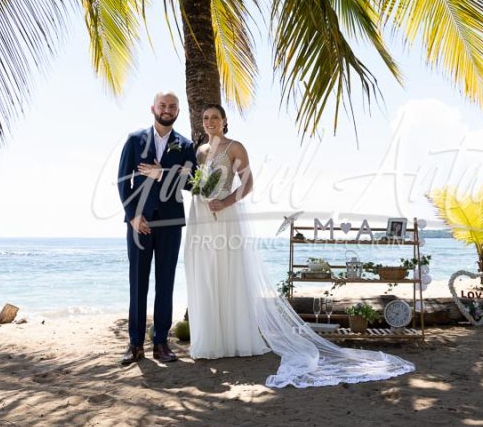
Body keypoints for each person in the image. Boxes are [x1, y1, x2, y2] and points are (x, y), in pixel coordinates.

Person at [168, 104, 414, 387]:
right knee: (207, 276)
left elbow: (248, 185)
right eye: (205, 118)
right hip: (202, 217)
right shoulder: (199, 152)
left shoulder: (236, 148)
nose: (210, 121)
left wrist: (224, 202)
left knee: (230, 274)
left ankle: (236, 340)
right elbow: (193, 182)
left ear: (225, 121)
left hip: (226, 216)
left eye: (215, 117)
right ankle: (212, 341)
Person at [117, 92, 196, 365]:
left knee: (165, 284)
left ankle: (161, 342)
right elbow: (121, 182)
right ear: (153, 108)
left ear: (178, 111)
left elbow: (191, 183)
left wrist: (162, 174)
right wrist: (131, 216)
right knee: (137, 283)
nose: (167, 110)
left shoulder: (185, 146)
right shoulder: (134, 139)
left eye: (172, 106)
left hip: (171, 224)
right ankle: (135, 344)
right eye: (163, 105)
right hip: (140, 222)